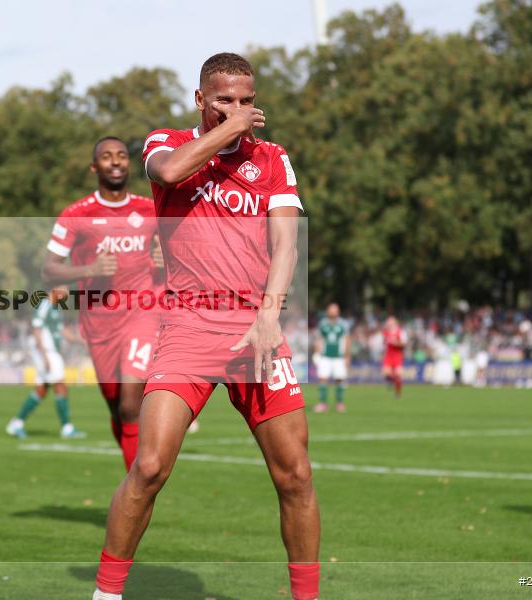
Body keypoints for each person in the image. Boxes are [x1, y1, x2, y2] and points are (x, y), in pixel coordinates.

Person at [92, 53, 319, 600]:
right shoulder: (164, 142)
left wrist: (270, 314)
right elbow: (168, 173)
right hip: (188, 327)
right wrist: (230, 131)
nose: (239, 110)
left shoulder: (273, 159)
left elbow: (286, 242)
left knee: (295, 476)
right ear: (200, 100)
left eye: (247, 100)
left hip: (256, 330)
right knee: (148, 467)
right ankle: (105, 595)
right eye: (224, 101)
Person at [42, 136, 164, 471]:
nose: (115, 161)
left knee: (130, 404)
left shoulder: (151, 209)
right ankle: (134, 482)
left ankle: (138, 493)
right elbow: (49, 269)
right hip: (98, 323)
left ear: (129, 164)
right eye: (107, 157)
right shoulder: (76, 214)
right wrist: (89, 270)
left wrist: (165, 257)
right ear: (94, 167)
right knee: (115, 404)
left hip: (143, 312)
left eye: (122, 156)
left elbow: (186, 250)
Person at [7, 287, 85, 439]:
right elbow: (36, 329)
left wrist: (82, 341)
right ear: (55, 289)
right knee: (60, 385)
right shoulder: (45, 304)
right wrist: (44, 356)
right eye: (64, 288)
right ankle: (67, 428)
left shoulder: (56, 307)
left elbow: (62, 331)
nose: (67, 293)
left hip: (50, 351)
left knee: (41, 390)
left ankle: (16, 424)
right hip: (46, 351)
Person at [314, 303, 350, 413]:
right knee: (323, 378)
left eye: (335, 310)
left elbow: (347, 340)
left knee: (339, 379)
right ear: (327, 311)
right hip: (325, 356)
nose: (333, 312)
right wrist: (316, 353)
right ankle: (322, 403)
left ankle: (339, 403)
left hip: (339, 357)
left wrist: (347, 356)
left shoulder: (343, 324)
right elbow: (319, 339)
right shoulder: (323, 323)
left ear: (338, 311)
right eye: (331, 310)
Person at [382, 316, 406, 397]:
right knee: (386, 374)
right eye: (388, 322)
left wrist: (396, 343)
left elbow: (404, 343)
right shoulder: (385, 332)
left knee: (398, 375)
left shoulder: (400, 331)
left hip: (397, 356)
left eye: (390, 322)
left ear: (395, 323)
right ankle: (394, 382)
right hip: (388, 355)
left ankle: (398, 393)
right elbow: (384, 343)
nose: (388, 324)